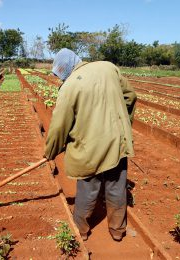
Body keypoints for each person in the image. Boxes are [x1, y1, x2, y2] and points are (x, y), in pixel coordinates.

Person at [44, 48, 137, 242]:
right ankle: (118, 230)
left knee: (88, 187)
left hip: (89, 146)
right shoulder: (109, 68)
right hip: (116, 142)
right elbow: (130, 96)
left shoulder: (69, 87)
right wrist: (122, 124)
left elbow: (60, 125)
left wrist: (51, 151)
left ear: (65, 69)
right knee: (117, 185)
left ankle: (81, 230)